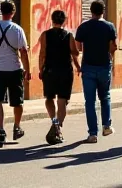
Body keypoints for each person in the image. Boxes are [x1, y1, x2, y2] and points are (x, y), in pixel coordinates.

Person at [0, 0, 32, 147]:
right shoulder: (17, 29)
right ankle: (17, 126)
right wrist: (28, 70)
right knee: (17, 101)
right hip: (14, 69)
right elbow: (23, 52)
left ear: (1, 11)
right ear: (14, 12)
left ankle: (1, 130)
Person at [75, 0, 118, 144]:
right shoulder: (110, 27)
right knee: (105, 97)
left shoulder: (83, 27)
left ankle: (93, 134)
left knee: (90, 102)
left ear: (91, 11)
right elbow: (113, 47)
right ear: (103, 11)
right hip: (104, 66)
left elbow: (78, 48)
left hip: (88, 67)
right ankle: (107, 126)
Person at [36, 10, 81, 145]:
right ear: (64, 21)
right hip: (65, 71)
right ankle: (57, 127)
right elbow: (75, 53)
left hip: (49, 71)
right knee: (62, 101)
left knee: (49, 98)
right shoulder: (69, 35)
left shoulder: (45, 35)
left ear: (52, 20)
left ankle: (54, 122)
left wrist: (40, 69)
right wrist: (78, 66)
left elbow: (42, 53)